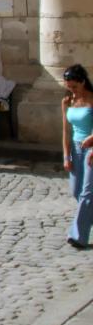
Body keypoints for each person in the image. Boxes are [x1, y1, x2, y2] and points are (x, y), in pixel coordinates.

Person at [61, 64, 93, 249]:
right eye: (68, 86)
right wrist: (66, 156)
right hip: (75, 148)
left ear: (83, 82)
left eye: (74, 86)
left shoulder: (92, 98)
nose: (71, 90)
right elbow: (66, 131)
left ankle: (77, 236)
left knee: (87, 193)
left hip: (91, 149)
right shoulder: (67, 101)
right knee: (76, 191)